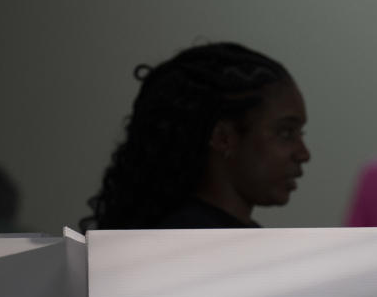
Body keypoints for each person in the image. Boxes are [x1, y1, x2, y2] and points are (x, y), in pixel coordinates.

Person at [79, 42, 309, 230]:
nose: (303, 153)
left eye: (301, 133)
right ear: (224, 138)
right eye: (286, 132)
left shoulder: (232, 240)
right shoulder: (182, 248)